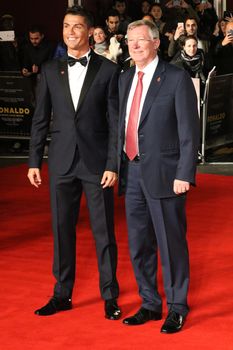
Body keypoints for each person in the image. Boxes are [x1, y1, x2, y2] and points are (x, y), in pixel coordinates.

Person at [27, 6, 121, 320]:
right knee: (61, 229)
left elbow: (114, 122)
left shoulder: (108, 70)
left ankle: (110, 295)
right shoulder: (51, 69)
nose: (70, 32)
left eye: (77, 27)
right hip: (62, 162)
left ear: (90, 31)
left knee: (103, 232)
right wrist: (33, 161)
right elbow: (40, 119)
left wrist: (112, 164)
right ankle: (62, 294)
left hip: (96, 164)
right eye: (66, 26)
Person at [117, 19, 199, 333]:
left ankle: (177, 306)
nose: (134, 46)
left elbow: (188, 131)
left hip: (166, 175)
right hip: (132, 171)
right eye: (129, 41)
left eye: (140, 40)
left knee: (171, 243)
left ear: (156, 43)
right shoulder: (125, 78)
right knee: (139, 243)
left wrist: (184, 173)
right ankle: (149, 303)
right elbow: (123, 125)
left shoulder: (177, 78)